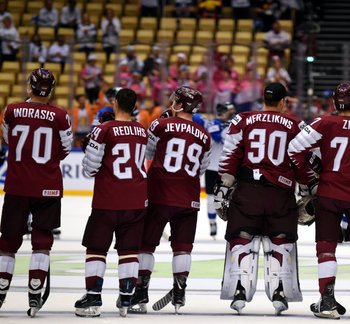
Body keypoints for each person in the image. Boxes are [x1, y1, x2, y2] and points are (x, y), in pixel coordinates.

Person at [215, 82, 316, 315]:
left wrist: (223, 188)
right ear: (283, 102)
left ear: (264, 99)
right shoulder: (295, 124)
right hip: (280, 194)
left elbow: (230, 155)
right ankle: (279, 289)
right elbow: (302, 159)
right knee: (281, 239)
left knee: (242, 236)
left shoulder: (242, 120)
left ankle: (240, 287)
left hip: (247, 191)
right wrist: (309, 187)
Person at [288, 83, 350, 319]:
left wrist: (314, 169)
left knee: (326, 249)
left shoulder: (324, 123)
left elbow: (293, 149)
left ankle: (327, 299)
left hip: (329, 193)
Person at [129, 87, 211, 314]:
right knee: (183, 249)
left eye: (175, 100)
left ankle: (140, 293)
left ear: (182, 104)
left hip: (159, 194)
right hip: (188, 197)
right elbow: (201, 168)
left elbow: (147, 152)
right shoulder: (204, 135)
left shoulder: (160, 124)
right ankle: (179, 293)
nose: (171, 102)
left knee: (146, 246)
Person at [0, 68, 72, 315]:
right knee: (42, 242)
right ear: (51, 89)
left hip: (18, 185)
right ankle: (34, 293)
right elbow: (65, 148)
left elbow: (8, 139)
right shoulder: (60, 115)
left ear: (30, 87)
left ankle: (0, 291)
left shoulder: (11, 110)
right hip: (48, 185)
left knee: (8, 242)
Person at [74, 89, 148, 318]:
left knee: (96, 248)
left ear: (114, 103)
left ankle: (93, 297)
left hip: (108, 199)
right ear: (134, 106)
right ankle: (126, 298)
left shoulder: (104, 129)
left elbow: (89, 169)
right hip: (136, 199)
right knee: (129, 250)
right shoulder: (143, 131)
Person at [204, 102, 235, 238]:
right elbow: (220, 137)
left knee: (232, 196)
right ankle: (212, 223)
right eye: (229, 111)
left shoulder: (233, 124)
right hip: (212, 166)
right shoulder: (213, 124)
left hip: (227, 166)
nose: (232, 113)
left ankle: (233, 223)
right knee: (211, 197)